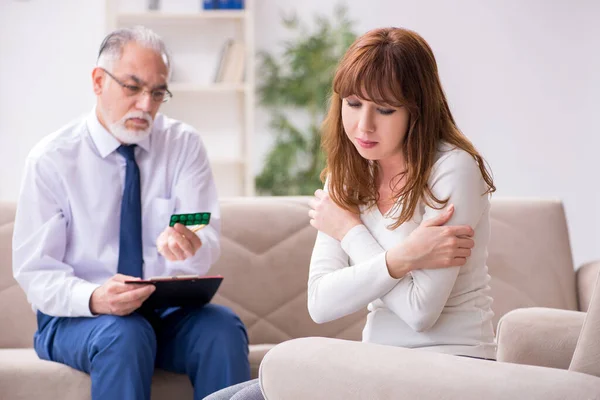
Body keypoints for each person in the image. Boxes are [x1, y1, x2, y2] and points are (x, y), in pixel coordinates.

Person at [206, 25, 496, 399]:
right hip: (376, 364)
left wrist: (350, 232)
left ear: (417, 111)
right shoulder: (347, 177)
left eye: (385, 109)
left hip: (454, 364)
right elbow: (321, 302)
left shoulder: (453, 169)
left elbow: (420, 312)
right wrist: (405, 256)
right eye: (353, 104)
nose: (363, 125)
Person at [12, 26, 250, 400]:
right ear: (97, 81)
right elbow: (36, 273)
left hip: (163, 311)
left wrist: (188, 248)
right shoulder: (51, 159)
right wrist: (95, 298)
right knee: (124, 334)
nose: (146, 105)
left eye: (157, 93)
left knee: (221, 329)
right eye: (132, 87)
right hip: (78, 318)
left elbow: (205, 240)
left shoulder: (183, 145)